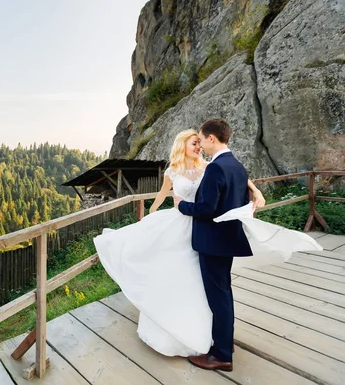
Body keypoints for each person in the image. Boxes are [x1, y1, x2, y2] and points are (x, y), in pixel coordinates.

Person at [94, 121, 322, 371]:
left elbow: (207, 207)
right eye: (194, 142)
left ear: (210, 139)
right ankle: (222, 340)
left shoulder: (212, 168)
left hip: (209, 237)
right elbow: (232, 180)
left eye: (200, 140)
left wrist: (181, 205)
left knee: (217, 293)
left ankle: (221, 353)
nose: (199, 145)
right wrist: (153, 209)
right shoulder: (231, 163)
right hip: (217, 236)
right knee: (218, 291)